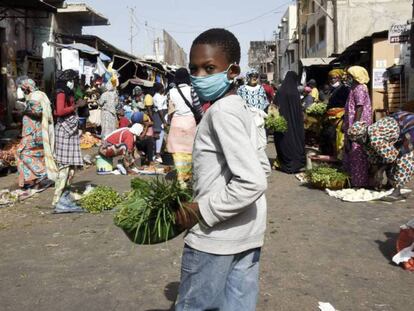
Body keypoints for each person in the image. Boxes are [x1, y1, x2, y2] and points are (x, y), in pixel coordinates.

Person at [174, 28, 270, 311]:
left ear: (232, 71)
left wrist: (200, 210)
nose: (199, 76)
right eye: (194, 69)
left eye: (209, 68)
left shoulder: (221, 113)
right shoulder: (240, 107)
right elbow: (262, 166)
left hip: (215, 239)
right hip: (247, 233)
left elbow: (252, 181)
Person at [348, 112, 414, 201]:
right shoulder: (367, 141)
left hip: (408, 125)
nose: (357, 143)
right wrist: (375, 172)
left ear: (362, 136)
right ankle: (390, 185)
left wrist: (380, 171)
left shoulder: (375, 138)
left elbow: (391, 157)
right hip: (398, 129)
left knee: (404, 158)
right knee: (388, 159)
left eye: (357, 140)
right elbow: (375, 157)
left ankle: (397, 191)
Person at [15, 77, 57, 189]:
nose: (22, 90)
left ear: (27, 87)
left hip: (33, 132)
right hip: (37, 132)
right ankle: (36, 181)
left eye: (22, 88)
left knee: (22, 152)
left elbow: (37, 111)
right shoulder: (40, 94)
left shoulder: (35, 96)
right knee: (38, 155)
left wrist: (24, 108)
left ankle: (42, 174)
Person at [166, 67, 203, 187]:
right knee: (189, 151)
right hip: (189, 123)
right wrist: (202, 118)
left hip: (176, 122)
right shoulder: (192, 90)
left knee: (177, 152)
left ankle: (180, 178)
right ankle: (187, 176)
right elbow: (198, 108)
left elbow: (170, 110)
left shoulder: (170, 92)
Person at [53, 70, 84, 206]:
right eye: (73, 80)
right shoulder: (61, 92)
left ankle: (65, 194)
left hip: (70, 129)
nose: (74, 83)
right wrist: (77, 106)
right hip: (64, 130)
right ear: (67, 80)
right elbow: (59, 111)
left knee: (71, 166)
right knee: (64, 165)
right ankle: (57, 199)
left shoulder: (68, 92)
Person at [343, 66, 373, 187]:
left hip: (358, 124)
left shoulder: (360, 88)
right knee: (350, 149)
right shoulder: (354, 87)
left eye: (350, 76)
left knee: (357, 151)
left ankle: (359, 181)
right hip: (351, 122)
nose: (348, 78)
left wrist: (355, 125)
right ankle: (352, 178)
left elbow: (359, 107)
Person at [274, 71, 306, 174]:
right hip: (295, 124)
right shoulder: (295, 93)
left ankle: (285, 164)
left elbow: (275, 107)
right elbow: (298, 110)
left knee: (283, 141)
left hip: (282, 123)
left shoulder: (280, 92)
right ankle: (297, 164)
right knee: (295, 140)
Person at [320, 69, 350, 156]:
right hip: (331, 116)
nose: (332, 80)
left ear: (339, 78)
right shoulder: (332, 89)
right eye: (331, 78)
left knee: (334, 136)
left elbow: (347, 104)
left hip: (339, 116)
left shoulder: (344, 89)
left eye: (334, 78)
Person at [152, 82, 168, 162]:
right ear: (160, 89)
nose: (163, 89)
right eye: (162, 87)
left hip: (161, 116)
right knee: (158, 135)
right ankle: (157, 154)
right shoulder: (156, 97)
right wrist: (164, 121)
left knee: (160, 135)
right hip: (159, 117)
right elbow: (160, 110)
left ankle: (157, 153)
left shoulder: (160, 96)